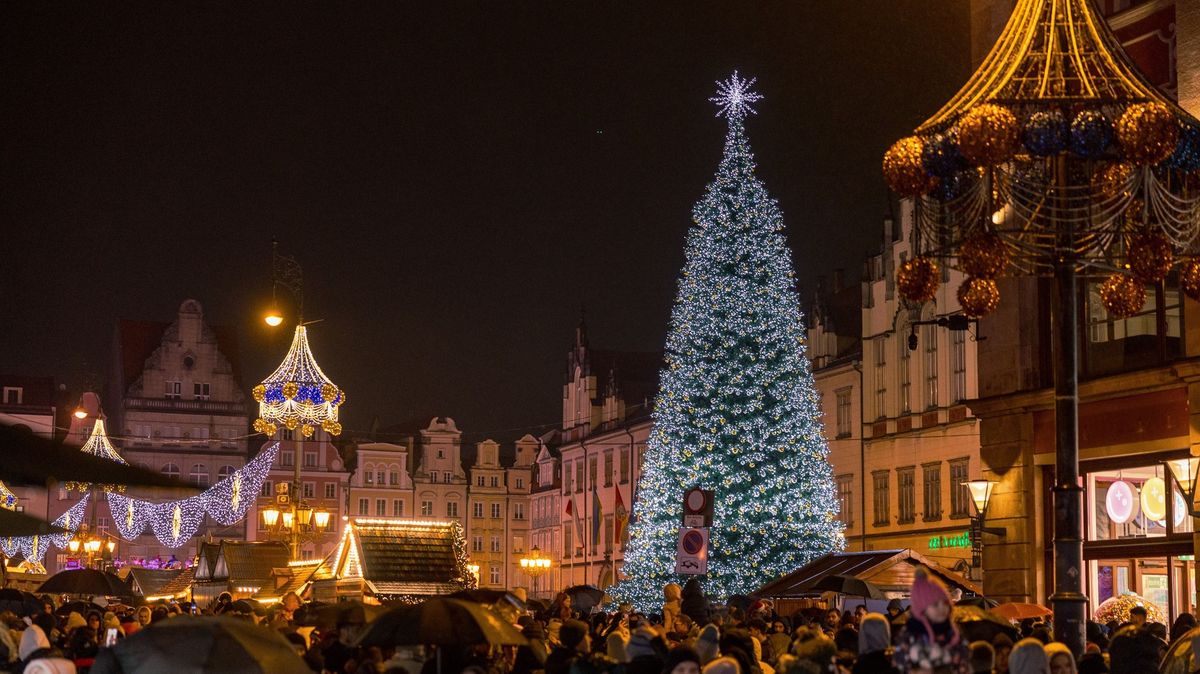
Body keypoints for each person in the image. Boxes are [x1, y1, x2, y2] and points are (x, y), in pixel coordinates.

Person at [893, 567, 969, 673]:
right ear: (922, 609)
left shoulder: (953, 632)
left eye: (945, 603)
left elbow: (964, 660)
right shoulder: (910, 633)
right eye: (935, 604)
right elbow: (900, 662)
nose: (942, 608)